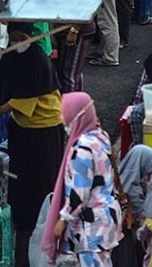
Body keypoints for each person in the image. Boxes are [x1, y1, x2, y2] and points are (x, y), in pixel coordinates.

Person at [0, 21, 64, 264]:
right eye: (12, 38)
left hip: (43, 130)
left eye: (19, 37)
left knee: (39, 182)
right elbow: (2, 75)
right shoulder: (13, 54)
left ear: (28, 36)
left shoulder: (37, 60)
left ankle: (39, 223)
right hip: (22, 128)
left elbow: (24, 101)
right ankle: (23, 219)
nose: (15, 42)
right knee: (21, 178)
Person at [42, 92, 120, 267]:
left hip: (92, 224)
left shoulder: (82, 148)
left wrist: (63, 219)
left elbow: (80, 192)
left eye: (64, 113)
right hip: (106, 217)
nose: (62, 119)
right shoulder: (101, 136)